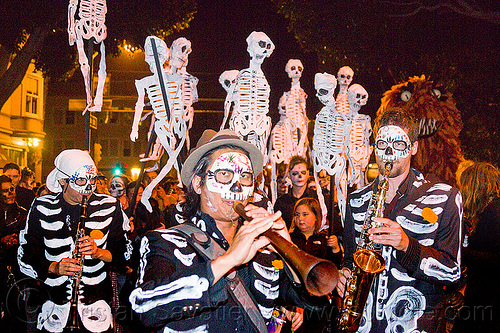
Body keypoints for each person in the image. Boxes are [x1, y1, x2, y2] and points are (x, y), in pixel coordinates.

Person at [129, 129, 308, 333]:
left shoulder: (262, 248)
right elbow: (142, 307)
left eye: (246, 177)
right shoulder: (165, 242)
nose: (237, 187)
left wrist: (289, 250)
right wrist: (228, 260)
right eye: (224, 174)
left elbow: (310, 300)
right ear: (198, 183)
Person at [337, 109, 462, 333]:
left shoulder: (445, 197)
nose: (388, 153)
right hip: (363, 326)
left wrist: (407, 245)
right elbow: (349, 258)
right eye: (382, 144)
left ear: (413, 147)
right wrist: (344, 274)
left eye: (398, 145)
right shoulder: (356, 200)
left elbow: (452, 272)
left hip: (416, 325)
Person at [17, 149, 132, 333]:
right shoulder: (41, 206)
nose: (88, 187)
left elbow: (126, 253)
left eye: (92, 180)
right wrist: (54, 267)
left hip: (97, 306)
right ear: (63, 180)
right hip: (52, 305)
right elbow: (24, 255)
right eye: (80, 180)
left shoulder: (110, 206)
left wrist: (99, 253)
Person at [452, 161, 500, 332]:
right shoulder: (491, 212)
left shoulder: (493, 214)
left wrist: (460, 253)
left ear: (474, 187)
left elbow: (493, 262)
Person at [286, 197, 342, 333]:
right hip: (294, 299)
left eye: (305, 214)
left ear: (317, 217)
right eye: (297, 214)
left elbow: (333, 269)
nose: (300, 219)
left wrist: (335, 249)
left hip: (318, 303)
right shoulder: (288, 239)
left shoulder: (324, 240)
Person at [0, 175, 28, 331]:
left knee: (16, 309)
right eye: (5, 191)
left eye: (12, 189)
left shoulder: (22, 213)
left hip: (16, 268)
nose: (10, 193)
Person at [274, 155, 316, 229]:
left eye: (303, 172)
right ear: (289, 175)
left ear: (308, 174)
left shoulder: (317, 197)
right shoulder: (281, 202)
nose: (300, 176)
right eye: (295, 173)